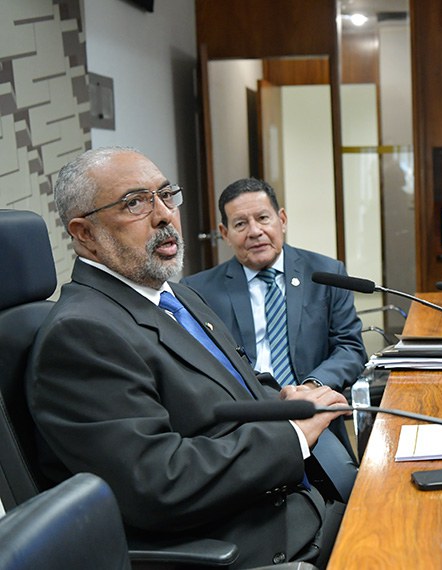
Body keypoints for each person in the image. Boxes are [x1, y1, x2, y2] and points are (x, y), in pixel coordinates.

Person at [28, 147, 350, 569]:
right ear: (84, 233)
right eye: (135, 203)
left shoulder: (175, 295)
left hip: (296, 504)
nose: (165, 216)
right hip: (248, 546)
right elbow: (159, 481)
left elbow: (233, 382)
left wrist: (284, 399)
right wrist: (292, 434)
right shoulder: (81, 334)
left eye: (166, 195)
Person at [181, 178, 367, 501]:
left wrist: (312, 388)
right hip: (247, 424)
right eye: (240, 223)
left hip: (315, 412)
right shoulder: (197, 291)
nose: (254, 231)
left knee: (349, 501)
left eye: (263, 218)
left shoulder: (325, 273)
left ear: (282, 219)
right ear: (225, 233)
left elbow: (350, 347)